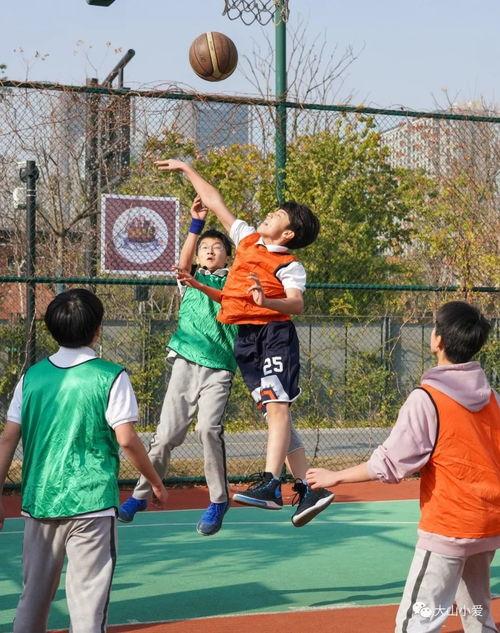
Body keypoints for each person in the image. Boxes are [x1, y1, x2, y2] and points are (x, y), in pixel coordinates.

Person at [155, 158, 334, 528]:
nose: (269, 214)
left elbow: (296, 304)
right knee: (276, 415)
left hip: (274, 335)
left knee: (278, 409)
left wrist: (267, 301)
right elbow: (215, 201)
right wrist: (187, 170)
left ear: (288, 234)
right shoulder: (248, 239)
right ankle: (308, 488)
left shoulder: (290, 265)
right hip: (247, 341)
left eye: (277, 215)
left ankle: (271, 483)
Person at [307, 301, 500, 632]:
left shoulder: (427, 399)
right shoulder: (493, 398)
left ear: (437, 340)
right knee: (478, 612)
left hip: (449, 525)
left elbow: (390, 463)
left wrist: (335, 476)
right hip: (487, 524)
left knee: (416, 621)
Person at [0, 288, 168, 633]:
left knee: (32, 598)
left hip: (40, 500)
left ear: (52, 329)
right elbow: (127, 439)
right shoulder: (111, 376)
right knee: (88, 603)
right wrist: (154, 480)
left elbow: (7, 439)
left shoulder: (31, 377)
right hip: (91, 503)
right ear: (97, 329)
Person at [119, 195, 238, 536]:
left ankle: (218, 500)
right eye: (205, 248)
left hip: (219, 368)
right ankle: (140, 495)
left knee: (208, 430)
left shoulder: (234, 282)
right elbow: (183, 265)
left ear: (228, 256)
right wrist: (195, 225)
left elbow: (234, 289)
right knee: (166, 436)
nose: (210, 251)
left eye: (217, 247)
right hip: (185, 363)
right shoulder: (189, 281)